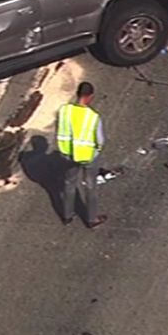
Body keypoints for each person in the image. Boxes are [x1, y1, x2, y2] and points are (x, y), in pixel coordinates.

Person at [57, 82, 107, 228]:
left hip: (68, 154)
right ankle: (91, 219)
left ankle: (67, 215)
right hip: (88, 156)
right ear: (90, 96)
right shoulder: (92, 117)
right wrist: (96, 151)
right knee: (90, 186)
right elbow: (100, 140)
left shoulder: (65, 110)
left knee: (69, 184)